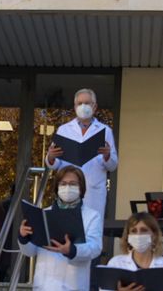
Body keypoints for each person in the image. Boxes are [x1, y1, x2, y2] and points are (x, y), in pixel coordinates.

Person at [44, 88, 118, 225]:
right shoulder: (64, 130)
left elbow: (113, 165)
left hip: (93, 191)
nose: (83, 106)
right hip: (69, 189)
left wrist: (107, 156)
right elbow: (54, 164)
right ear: (74, 107)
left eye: (87, 103)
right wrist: (51, 157)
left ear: (94, 106)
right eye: (80, 103)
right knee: (67, 227)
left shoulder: (105, 131)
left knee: (91, 228)